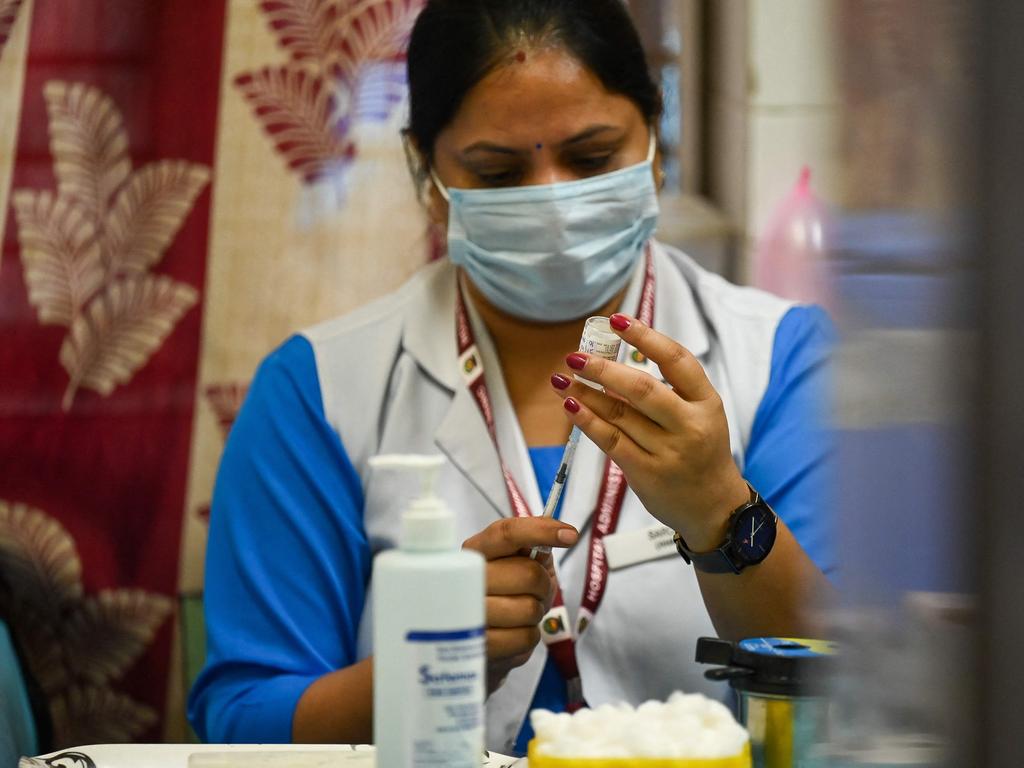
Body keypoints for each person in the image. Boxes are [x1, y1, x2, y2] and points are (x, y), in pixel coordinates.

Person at [188, 0, 836, 755]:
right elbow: (240, 722)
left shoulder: (781, 360)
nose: (553, 201)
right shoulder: (319, 391)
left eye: (592, 159)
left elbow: (856, 690)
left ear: (655, 142)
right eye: (498, 172)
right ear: (427, 174)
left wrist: (725, 517)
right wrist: (425, 665)